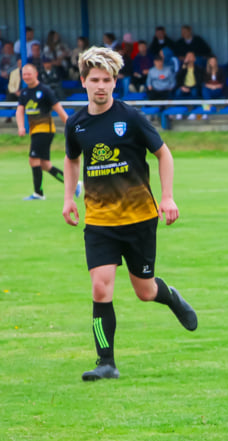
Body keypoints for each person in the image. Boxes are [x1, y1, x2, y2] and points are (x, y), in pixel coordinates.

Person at [62, 46, 197, 381]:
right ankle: (105, 362)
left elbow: (164, 155)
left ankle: (170, 297)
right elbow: (71, 159)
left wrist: (167, 198)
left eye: (107, 79)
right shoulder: (76, 124)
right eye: (94, 79)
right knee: (100, 289)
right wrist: (68, 198)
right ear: (83, 82)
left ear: (115, 82)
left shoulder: (131, 118)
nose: (101, 86)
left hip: (139, 218)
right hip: (99, 222)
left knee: (144, 291)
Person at [16, 63, 81, 201]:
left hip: (45, 129)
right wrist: (21, 126)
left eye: (29, 74)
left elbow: (58, 108)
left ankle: (38, 193)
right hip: (35, 130)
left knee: (33, 159)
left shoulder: (45, 90)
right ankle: (75, 185)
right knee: (45, 165)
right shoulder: (25, 92)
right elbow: (20, 111)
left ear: (36, 74)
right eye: (24, 75)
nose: (26, 77)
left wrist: (70, 125)